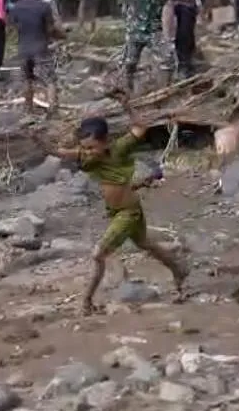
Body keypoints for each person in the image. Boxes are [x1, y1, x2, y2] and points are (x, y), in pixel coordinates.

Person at [34, 90, 187, 315]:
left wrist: (126, 103)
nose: (88, 153)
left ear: (105, 142)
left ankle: (86, 302)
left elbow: (140, 127)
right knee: (146, 244)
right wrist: (36, 138)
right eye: (84, 148)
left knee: (98, 254)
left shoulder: (119, 149)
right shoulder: (87, 156)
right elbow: (57, 152)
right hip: (120, 210)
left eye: (92, 147)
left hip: (128, 212)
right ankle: (179, 270)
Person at [8, 0, 64, 114]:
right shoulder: (43, 6)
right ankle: (52, 109)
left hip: (23, 49)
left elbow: (13, 27)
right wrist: (60, 35)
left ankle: (28, 109)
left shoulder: (15, 8)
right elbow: (50, 29)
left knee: (27, 79)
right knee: (50, 79)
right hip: (41, 47)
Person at [120, 0, 175, 92]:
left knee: (168, 59)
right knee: (129, 62)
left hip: (153, 30)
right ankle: (127, 90)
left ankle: (165, 90)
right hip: (135, 28)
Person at [170, 0, 200, 78]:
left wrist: (175, 0)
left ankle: (185, 65)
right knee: (185, 36)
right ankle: (185, 63)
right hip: (185, 11)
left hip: (186, 11)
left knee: (184, 36)